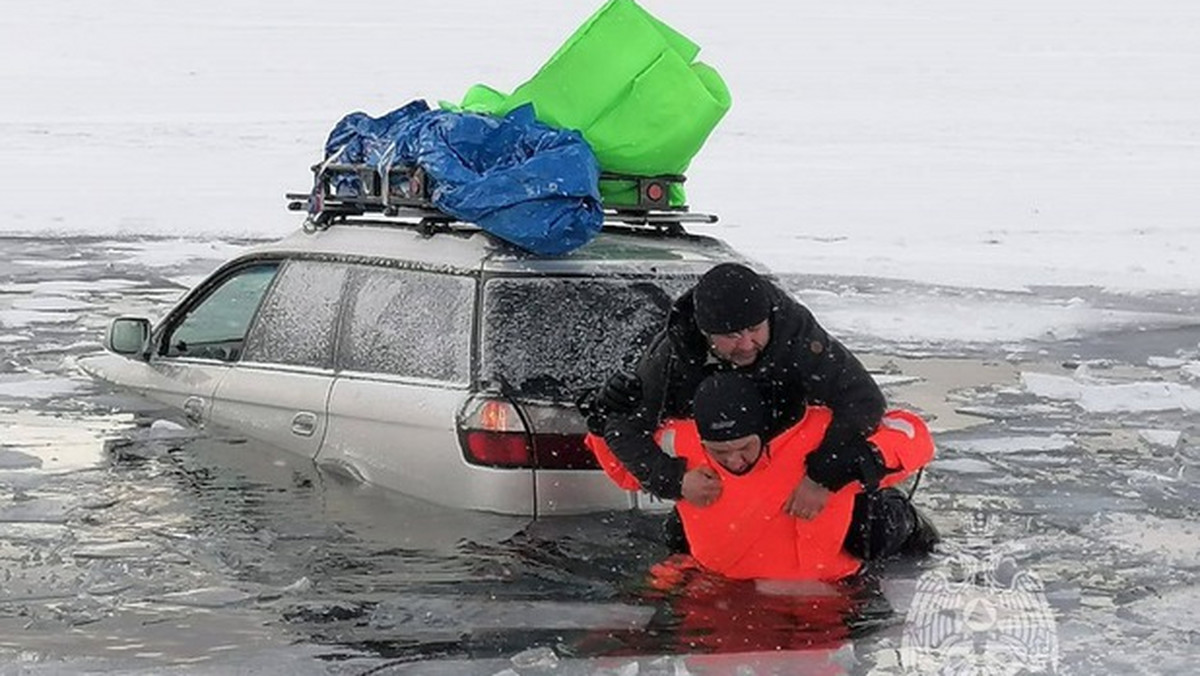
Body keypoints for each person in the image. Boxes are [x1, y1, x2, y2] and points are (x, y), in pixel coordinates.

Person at [585, 262, 894, 521]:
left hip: (795, 492)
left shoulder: (797, 335)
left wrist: (824, 476)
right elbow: (624, 428)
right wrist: (676, 481)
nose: (746, 344)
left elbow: (863, 400)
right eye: (731, 336)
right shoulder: (674, 355)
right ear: (707, 334)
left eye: (755, 330)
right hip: (720, 507)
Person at [588, 372, 937, 580]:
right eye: (719, 452)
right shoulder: (682, 440)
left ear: (764, 431)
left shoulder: (821, 434)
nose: (734, 460)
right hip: (724, 597)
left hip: (832, 597)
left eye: (744, 448)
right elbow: (624, 469)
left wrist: (852, 461)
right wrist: (603, 422)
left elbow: (913, 432)